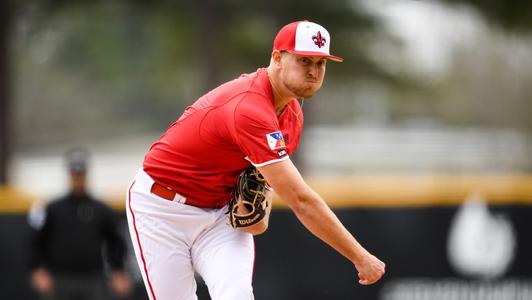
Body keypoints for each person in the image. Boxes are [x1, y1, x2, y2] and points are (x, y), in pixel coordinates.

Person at [126, 20, 385, 300]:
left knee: (236, 295)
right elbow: (301, 200)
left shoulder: (292, 115)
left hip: (219, 217)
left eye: (321, 63)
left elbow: (263, 183)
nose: (313, 71)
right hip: (162, 210)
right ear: (277, 58)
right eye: (304, 60)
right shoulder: (248, 106)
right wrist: (360, 256)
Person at [29, 148, 132, 300]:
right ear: (69, 174)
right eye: (74, 174)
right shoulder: (52, 208)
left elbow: (116, 242)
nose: (78, 178)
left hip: (93, 278)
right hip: (60, 279)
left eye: (81, 174)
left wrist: (119, 271)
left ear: (86, 174)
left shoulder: (101, 209)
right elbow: (35, 241)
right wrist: (38, 270)